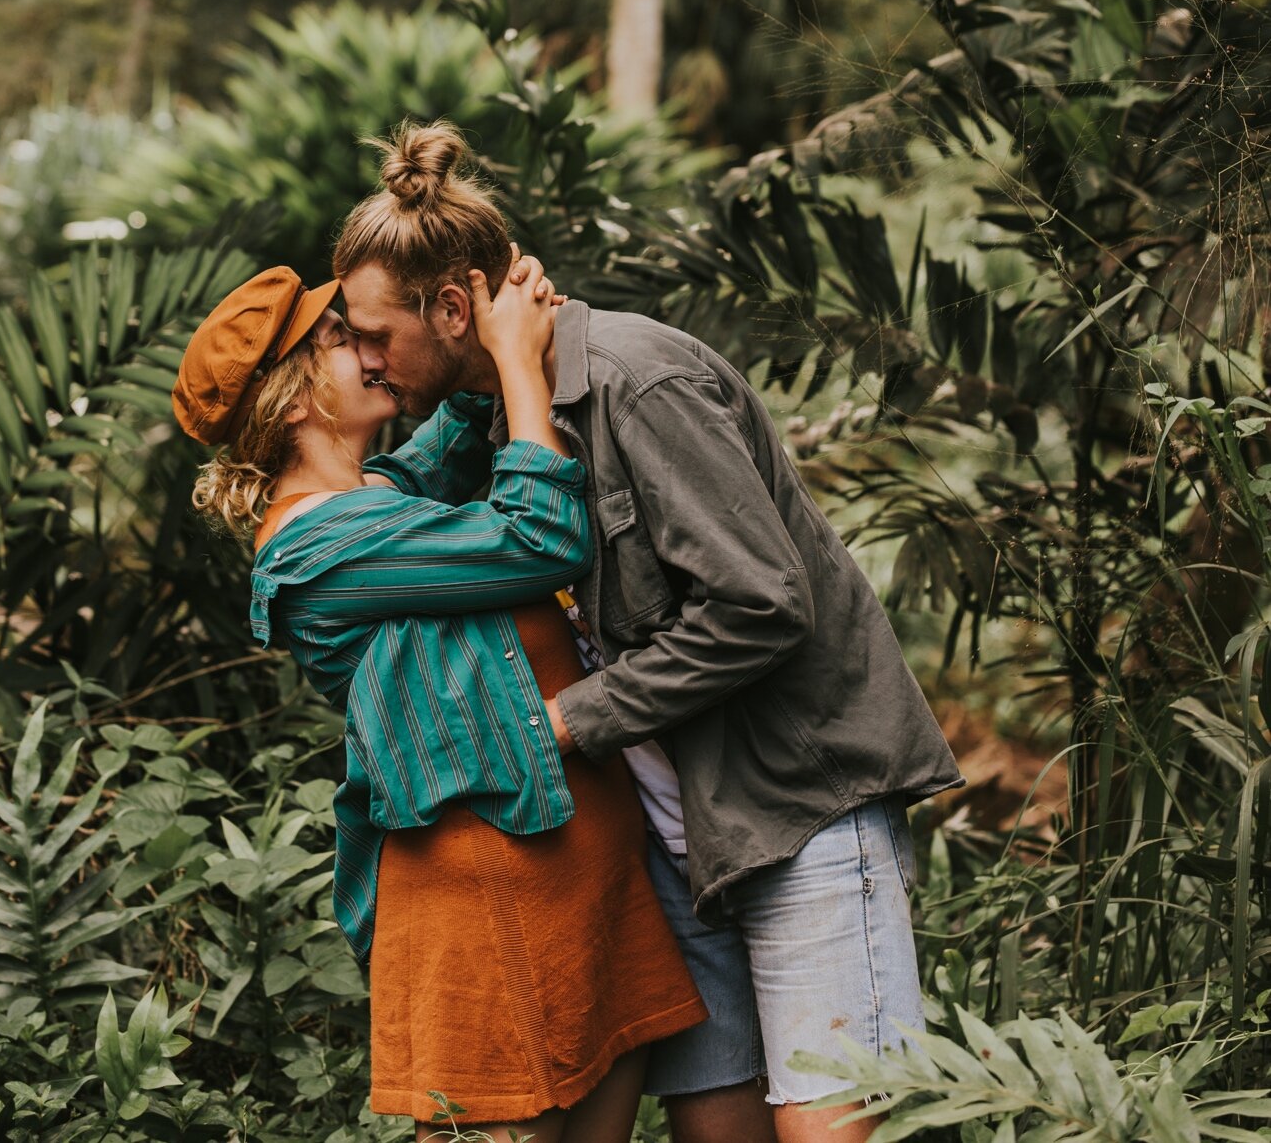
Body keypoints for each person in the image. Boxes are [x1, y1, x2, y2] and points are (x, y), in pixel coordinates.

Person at [335, 122, 965, 1143]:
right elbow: (373, 501)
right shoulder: (504, 416)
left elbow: (762, 602)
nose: (363, 361)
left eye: (372, 336)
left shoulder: (638, 380)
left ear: (453, 307)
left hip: (797, 809)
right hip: (683, 839)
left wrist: (566, 725)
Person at [173, 258, 706, 1141]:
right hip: (491, 895)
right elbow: (541, 536)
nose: (374, 356)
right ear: (299, 395)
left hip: (578, 869)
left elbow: (447, 436)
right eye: (345, 343)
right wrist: (522, 369)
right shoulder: (317, 548)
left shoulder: (370, 502)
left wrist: (484, 324)